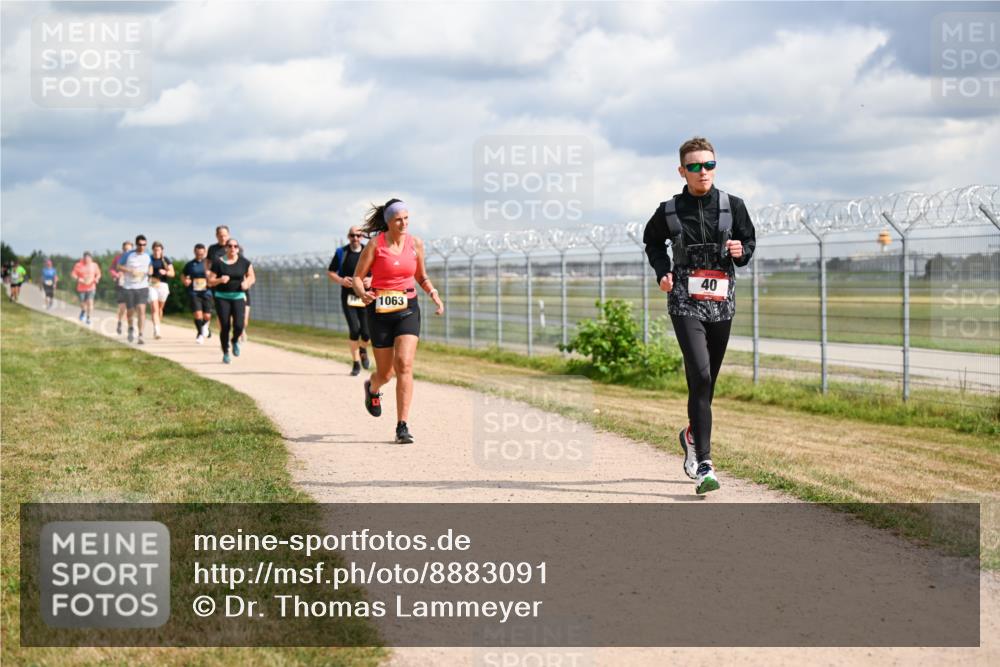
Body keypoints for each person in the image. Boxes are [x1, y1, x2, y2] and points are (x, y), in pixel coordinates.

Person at [643, 136, 756, 494]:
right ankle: (705, 463)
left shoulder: (732, 205)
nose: (702, 172)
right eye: (694, 166)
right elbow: (652, 242)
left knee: (706, 383)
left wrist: (740, 251)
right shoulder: (669, 210)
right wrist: (662, 270)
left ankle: (691, 434)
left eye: (708, 165)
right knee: (701, 372)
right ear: (682, 170)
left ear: (715, 167)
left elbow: (748, 243)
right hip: (684, 299)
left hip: (722, 300)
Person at [353, 199, 444, 444]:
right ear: (388, 222)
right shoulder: (375, 245)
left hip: (408, 308)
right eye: (398, 219)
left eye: (406, 218)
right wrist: (363, 294)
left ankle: (402, 426)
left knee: (404, 364)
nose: (403, 223)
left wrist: (433, 293)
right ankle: (372, 387)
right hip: (380, 311)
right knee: (386, 373)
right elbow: (357, 278)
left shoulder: (415, 244)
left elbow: (421, 275)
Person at [328, 226, 372, 375]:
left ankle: (363, 349)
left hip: (365, 296)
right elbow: (330, 272)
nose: (356, 238)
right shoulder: (342, 252)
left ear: (362, 237)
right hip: (348, 297)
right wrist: (341, 280)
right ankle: (356, 363)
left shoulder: (368, 251)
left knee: (366, 332)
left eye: (359, 235)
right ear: (348, 236)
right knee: (354, 330)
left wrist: (370, 280)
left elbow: (378, 271)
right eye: (353, 235)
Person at [207, 237, 255, 364]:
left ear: (238, 249)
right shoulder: (218, 263)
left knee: (240, 325)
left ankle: (234, 341)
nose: (232, 248)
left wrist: (247, 284)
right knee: (225, 326)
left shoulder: (245, 262)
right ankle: (226, 352)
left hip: (238, 296)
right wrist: (219, 280)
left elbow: (252, 277)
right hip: (222, 297)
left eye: (235, 246)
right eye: (230, 246)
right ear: (226, 248)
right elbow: (210, 282)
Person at [117, 234, 153, 344]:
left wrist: (150, 271)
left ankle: (141, 335)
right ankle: (130, 328)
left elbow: (150, 265)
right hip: (129, 287)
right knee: (130, 312)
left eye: (144, 245)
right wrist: (129, 270)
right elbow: (118, 266)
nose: (142, 247)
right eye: (140, 245)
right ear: (136, 244)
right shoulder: (128, 255)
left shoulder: (147, 255)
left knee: (141, 310)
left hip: (142, 286)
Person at [182, 243, 214, 344]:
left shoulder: (209, 264)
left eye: (201, 254)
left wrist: (211, 278)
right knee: (197, 314)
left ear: (204, 253)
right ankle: (200, 334)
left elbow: (215, 275)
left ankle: (205, 327)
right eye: (197, 254)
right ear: (194, 252)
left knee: (207, 316)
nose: (199, 255)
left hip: (207, 292)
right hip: (194, 292)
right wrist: (185, 281)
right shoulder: (190, 264)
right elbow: (183, 275)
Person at [148, 241, 175, 339]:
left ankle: (158, 325)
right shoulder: (149, 259)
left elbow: (173, 273)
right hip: (151, 285)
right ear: (152, 250)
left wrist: (165, 272)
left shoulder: (165, 260)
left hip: (163, 286)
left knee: (159, 309)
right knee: (154, 309)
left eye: (158, 250)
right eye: (155, 250)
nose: (156, 252)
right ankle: (157, 330)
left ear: (162, 250)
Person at [70, 252, 102, 324]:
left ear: (91, 258)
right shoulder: (78, 265)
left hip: (91, 287)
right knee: (83, 304)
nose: (87, 260)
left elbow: (99, 273)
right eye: (86, 259)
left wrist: (97, 278)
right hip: (81, 288)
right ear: (83, 258)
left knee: (90, 303)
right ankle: (83, 311)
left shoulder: (94, 265)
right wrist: (79, 279)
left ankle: (88, 318)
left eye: (88, 258)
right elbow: (73, 274)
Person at [109, 241, 134, 334]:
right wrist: (116, 275)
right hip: (121, 284)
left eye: (129, 249)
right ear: (122, 249)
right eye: (125, 249)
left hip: (132, 285)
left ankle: (130, 327)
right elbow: (111, 268)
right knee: (122, 308)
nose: (127, 251)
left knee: (131, 308)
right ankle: (119, 323)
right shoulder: (118, 258)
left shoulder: (135, 259)